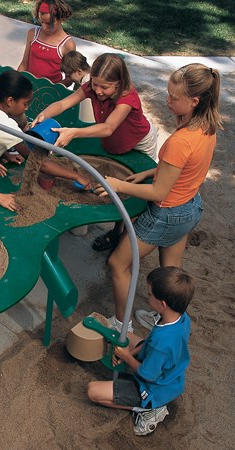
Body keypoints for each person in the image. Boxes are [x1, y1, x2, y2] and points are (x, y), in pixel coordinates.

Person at [95, 63, 223, 332]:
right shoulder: (207, 129)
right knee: (171, 272)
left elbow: (159, 192)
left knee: (118, 263)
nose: (167, 100)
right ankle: (166, 320)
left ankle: (121, 325)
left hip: (166, 213)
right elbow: (185, 167)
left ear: (194, 101)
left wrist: (118, 184)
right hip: (190, 207)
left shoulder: (180, 141)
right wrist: (151, 172)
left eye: (174, 97)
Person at [32, 53, 159, 251]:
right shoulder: (92, 87)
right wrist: (44, 114)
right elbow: (65, 103)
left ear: (119, 83)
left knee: (133, 193)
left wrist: (74, 133)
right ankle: (116, 231)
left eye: (104, 87)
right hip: (116, 143)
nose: (98, 91)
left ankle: (121, 237)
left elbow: (108, 127)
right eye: (95, 84)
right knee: (115, 183)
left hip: (139, 143)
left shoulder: (127, 97)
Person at [87, 267, 195, 436]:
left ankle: (148, 410)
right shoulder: (181, 317)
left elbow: (148, 374)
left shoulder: (162, 343)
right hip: (171, 376)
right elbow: (150, 342)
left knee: (93, 391)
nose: (147, 296)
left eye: (150, 294)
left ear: (163, 304)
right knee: (126, 336)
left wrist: (127, 356)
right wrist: (133, 353)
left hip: (154, 388)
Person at [0, 70, 92, 189]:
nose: (26, 108)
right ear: (10, 101)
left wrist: (5, 153)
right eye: (25, 104)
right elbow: (40, 163)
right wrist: (76, 176)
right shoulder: (7, 126)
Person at [18, 0, 76, 86]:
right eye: (41, 22)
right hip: (28, 86)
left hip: (50, 91)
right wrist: (15, 80)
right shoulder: (32, 34)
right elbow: (24, 64)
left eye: (49, 23)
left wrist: (50, 88)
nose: (44, 27)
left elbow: (70, 78)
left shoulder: (67, 44)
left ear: (62, 19)